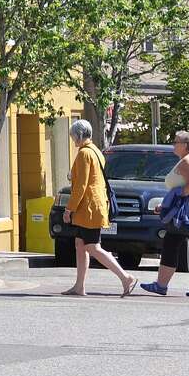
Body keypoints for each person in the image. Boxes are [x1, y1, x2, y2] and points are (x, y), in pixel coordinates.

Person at [61, 119, 137, 297]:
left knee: (93, 247)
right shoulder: (95, 151)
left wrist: (68, 209)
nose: (73, 140)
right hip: (93, 205)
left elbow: (81, 186)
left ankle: (125, 277)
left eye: (73, 136)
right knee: (80, 244)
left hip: (89, 208)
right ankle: (79, 286)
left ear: (79, 135)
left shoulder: (84, 153)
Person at [141, 131, 189, 298]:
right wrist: (166, 204)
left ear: (186, 145)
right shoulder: (188, 160)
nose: (173, 144)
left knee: (171, 242)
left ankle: (161, 285)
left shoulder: (188, 161)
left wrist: (174, 200)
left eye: (176, 142)